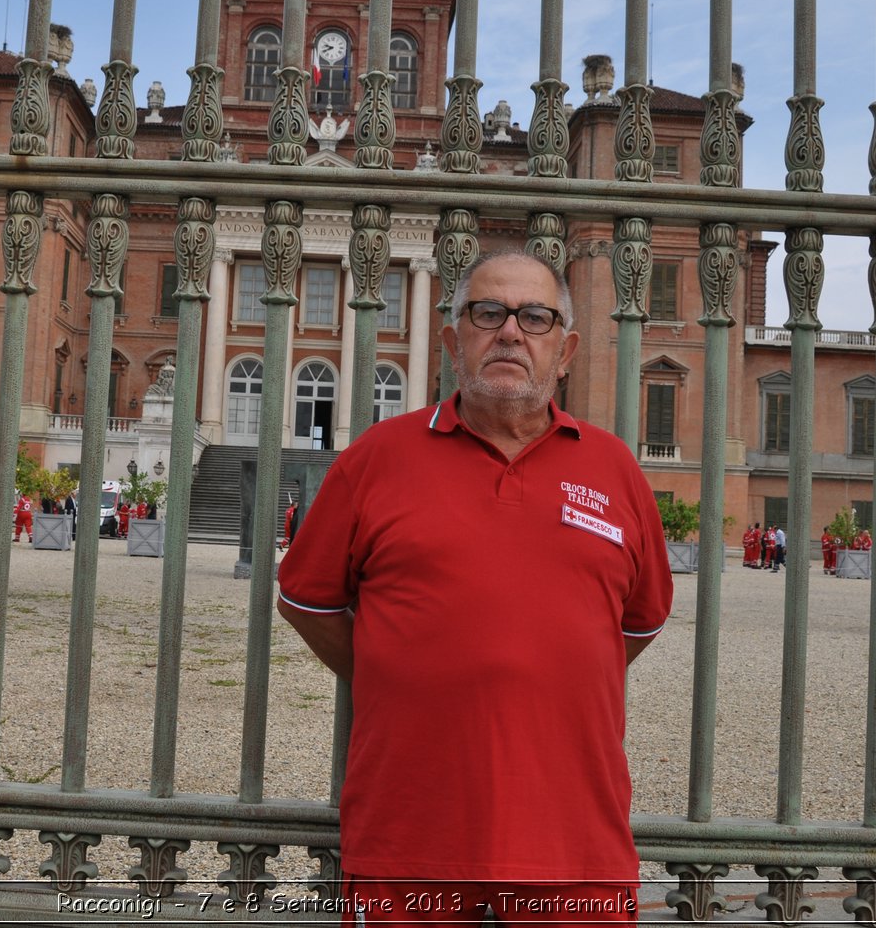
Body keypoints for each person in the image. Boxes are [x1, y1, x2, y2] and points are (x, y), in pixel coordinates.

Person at [278, 251, 672, 925]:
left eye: (535, 316)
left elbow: (636, 623)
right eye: (487, 312)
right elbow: (306, 599)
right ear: (453, 339)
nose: (510, 332)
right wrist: (392, 663)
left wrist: (547, 669)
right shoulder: (377, 456)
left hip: (574, 842)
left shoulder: (615, 469)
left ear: (567, 350)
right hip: (411, 838)